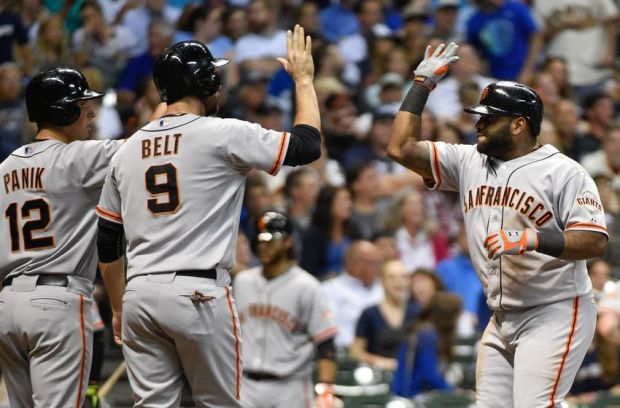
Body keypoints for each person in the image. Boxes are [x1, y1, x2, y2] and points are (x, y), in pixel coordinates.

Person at [96, 25, 322, 407]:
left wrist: (119, 307)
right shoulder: (221, 133)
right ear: (205, 82)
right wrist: (302, 80)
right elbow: (307, 146)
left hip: (140, 294)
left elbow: (106, 239)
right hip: (198, 293)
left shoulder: (127, 149)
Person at [387, 42, 609, 407]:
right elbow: (400, 148)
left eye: (489, 118)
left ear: (519, 125)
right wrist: (421, 85)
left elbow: (593, 241)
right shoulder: (468, 160)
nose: (478, 124)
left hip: (554, 308)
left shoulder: (564, 172)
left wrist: (531, 238)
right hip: (501, 315)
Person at [0, 67, 122, 407]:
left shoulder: (5, 167)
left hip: (8, 305)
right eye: (82, 104)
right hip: (57, 303)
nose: (91, 112)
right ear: (63, 110)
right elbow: (147, 149)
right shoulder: (79, 156)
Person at [234, 211, 338, 408]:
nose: (263, 246)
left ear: (289, 241)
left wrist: (326, 390)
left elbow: (326, 345)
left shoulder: (307, 286)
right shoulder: (242, 282)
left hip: (290, 388)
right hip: (245, 385)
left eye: (271, 240)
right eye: (260, 240)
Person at [350, 260, 418, 371]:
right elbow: (356, 352)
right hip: (378, 375)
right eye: (392, 277)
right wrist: (380, 362)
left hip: (411, 375)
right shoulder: (369, 313)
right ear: (382, 282)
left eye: (403, 277)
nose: (398, 282)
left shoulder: (417, 313)